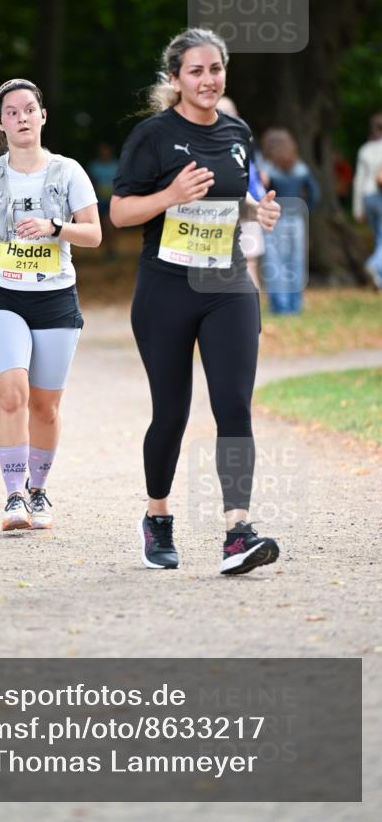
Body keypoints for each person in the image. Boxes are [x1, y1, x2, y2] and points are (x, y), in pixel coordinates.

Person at [110, 28, 281, 575]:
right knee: (172, 414)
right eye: (196, 71)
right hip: (166, 288)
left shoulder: (237, 132)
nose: (208, 80)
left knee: (233, 404)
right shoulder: (153, 137)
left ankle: (238, 530)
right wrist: (168, 196)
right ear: (175, 80)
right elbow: (118, 214)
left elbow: (235, 199)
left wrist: (260, 212)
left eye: (215, 70)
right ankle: (157, 518)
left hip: (227, 285)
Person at [0, 78, 100, 532]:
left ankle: (39, 490)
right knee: (11, 392)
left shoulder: (69, 171)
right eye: (11, 113)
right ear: (1, 123)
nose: (21, 119)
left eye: (29, 110)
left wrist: (57, 226)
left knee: (45, 407)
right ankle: (14, 496)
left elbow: (93, 234)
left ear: (43, 116)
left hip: (55, 296)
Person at [258, 128, 320, 314]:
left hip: (274, 219)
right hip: (297, 221)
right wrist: (305, 210)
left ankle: (280, 306)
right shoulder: (300, 167)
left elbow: (261, 193)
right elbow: (315, 193)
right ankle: (295, 304)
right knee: (296, 263)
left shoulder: (268, 168)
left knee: (275, 263)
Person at [217, 96, 266, 288]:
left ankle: (249, 306)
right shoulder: (245, 137)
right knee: (247, 261)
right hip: (241, 203)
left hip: (243, 204)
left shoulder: (239, 138)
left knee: (244, 261)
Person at [352, 111, 382, 289]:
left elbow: (359, 181)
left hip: (367, 197)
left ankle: (378, 278)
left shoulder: (365, 150)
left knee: (379, 238)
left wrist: (358, 209)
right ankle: (374, 265)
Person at [88, 141, 119, 259]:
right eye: (102, 150)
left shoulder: (116, 166)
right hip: (97, 202)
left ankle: (111, 250)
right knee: (102, 228)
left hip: (112, 202)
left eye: (106, 150)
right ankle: (108, 249)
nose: (104, 152)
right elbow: (90, 184)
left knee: (109, 225)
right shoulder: (94, 167)